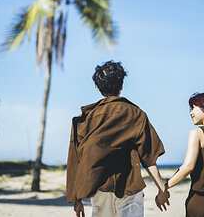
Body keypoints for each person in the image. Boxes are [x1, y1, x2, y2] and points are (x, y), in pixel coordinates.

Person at [66, 60, 170, 217]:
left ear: (97, 87)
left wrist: (76, 199)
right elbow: (148, 157)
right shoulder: (136, 113)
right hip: (129, 185)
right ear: (121, 85)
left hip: (99, 186)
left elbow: (75, 159)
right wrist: (162, 189)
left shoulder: (85, 119)